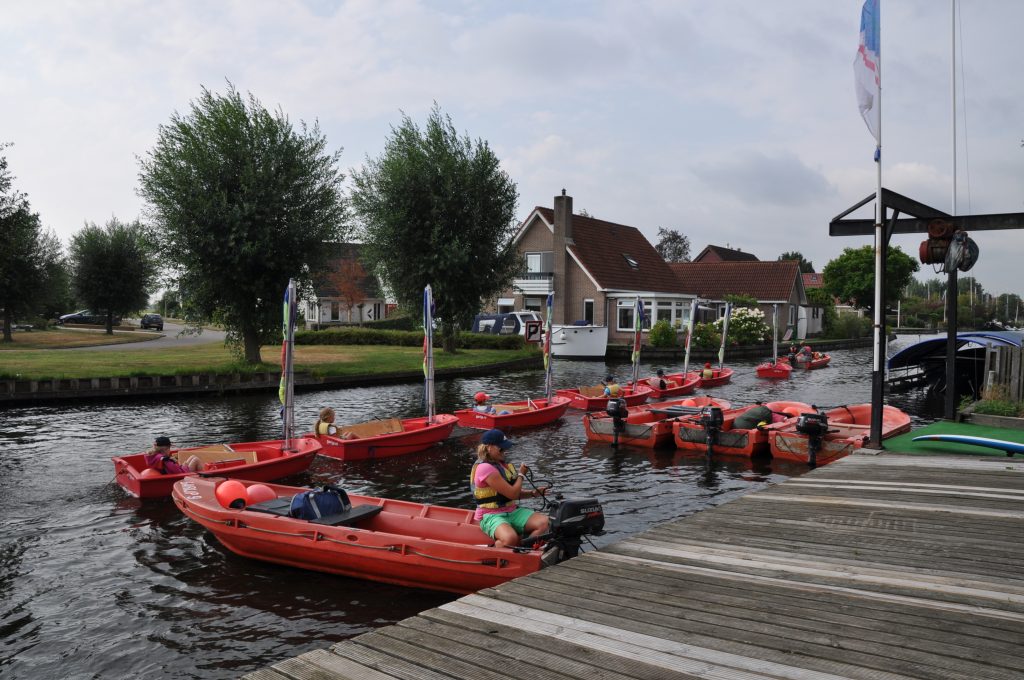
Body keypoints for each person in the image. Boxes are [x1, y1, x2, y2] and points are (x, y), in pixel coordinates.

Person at [470, 429, 550, 549]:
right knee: (510, 539)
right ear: (489, 447)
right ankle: (499, 550)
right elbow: (512, 494)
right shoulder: (485, 468)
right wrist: (521, 475)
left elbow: (508, 493)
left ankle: (525, 550)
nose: (505, 451)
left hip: (511, 511)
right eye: (501, 448)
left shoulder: (501, 465)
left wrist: (533, 493)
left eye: (505, 448)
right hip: (491, 515)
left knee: (545, 523)